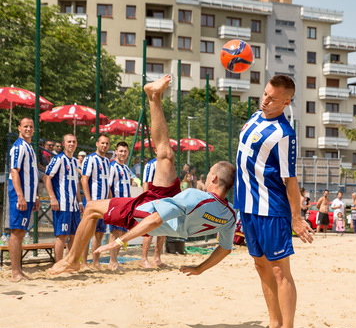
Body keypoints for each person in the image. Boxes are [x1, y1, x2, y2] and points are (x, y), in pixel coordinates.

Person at [50, 75, 237, 276]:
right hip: (169, 205)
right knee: (165, 155)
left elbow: (155, 220)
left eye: (209, 174)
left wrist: (120, 242)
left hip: (147, 214)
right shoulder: (230, 216)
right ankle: (154, 96)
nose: (207, 176)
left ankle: (72, 260)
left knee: (91, 208)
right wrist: (199, 268)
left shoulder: (197, 197)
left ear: (215, 179)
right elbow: (225, 248)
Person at [235, 74, 314, 328]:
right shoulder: (255, 118)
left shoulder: (285, 134)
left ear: (286, 102)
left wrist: (295, 217)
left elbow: (290, 179)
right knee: (260, 266)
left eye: (272, 98)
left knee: (280, 270)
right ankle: (274, 325)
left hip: (271, 208)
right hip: (247, 205)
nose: (265, 100)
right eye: (265, 94)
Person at [8, 117, 41, 282]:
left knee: (21, 233)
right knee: (16, 232)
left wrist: (33, 196)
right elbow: (14, 171)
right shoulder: (18, 147)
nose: (28, 129)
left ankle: (19, 270)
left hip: (28, 196)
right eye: (25, 126)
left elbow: (31, 175)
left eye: (31, 126)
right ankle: (15, 272)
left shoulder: (29, 147)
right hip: (19, 196)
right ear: (19, 128)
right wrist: (20, 196)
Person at [43, 134, 83, 263]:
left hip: (74, 205)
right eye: (69, 141)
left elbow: (76, 183)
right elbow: (46, 177)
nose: (71, 144)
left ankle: (69, 262)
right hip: (62, 204)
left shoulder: (75, 161)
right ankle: (58, 264)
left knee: (74, 235)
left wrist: (80, 201)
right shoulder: (58, 159)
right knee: (62, 235)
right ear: (64, 144)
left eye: (74, 142)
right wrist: (52, 198)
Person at [80, 134, 111, 270]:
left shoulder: (106, 162)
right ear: (97, 144)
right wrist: (88, 201)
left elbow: (107, 184)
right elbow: (84, 180)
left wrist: (111, 201)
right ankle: (84, 263)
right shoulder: (90, 159)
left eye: (106, 144)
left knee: (99, 234)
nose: (104, 146)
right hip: (93, 203)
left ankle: (96, 262)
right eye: (102, 143)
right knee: (87, 233)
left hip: (103, 204)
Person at [106, 141, 133, 271]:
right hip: (117, 205)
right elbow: (108, 186)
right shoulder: (112, 166)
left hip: (126, 206)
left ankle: (115, 260)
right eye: (120, 151)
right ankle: (112, 261)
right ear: (116, 152)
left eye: (125, 151)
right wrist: (113, 204)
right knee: (115, 232)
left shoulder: (126, 168)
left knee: (122, 233)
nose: (123, 153)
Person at [141, 156, 165, 268]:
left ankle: (157, 258)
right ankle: (144, 259)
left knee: (163, 229)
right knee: (149, 229)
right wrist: (146, 201)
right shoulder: (151, 165)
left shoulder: (168, 164)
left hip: (164, 200)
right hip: (153, 200)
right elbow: (145, 182)